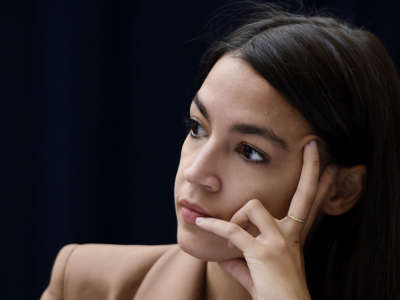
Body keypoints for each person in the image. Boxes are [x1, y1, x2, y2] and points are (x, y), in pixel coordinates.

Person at [41, 4, 400, 300]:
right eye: (197, 128)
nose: (196, 172)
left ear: (342, 189)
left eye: (249, 151)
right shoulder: (84, 285)